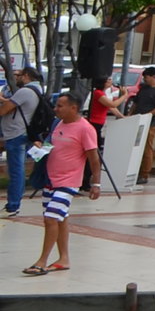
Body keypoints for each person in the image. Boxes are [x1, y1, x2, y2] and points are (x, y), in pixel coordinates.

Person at [24, 92, 99, 274]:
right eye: (56, 105)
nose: (55, 109)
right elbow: (53, 145)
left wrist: (95, 183)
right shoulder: (58, 124)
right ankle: (63, 258)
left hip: (68, 182)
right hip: (51, 179)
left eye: (60, 106)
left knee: (51, 218)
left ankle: (42, 261)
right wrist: (41, 148)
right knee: (60, 218)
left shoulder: (85, 129)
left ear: (73, 108)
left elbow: (93, 158)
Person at [1, 65, 46, 217]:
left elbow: (4, 109)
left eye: (19, 75)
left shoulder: (25, 91)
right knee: (18, 169)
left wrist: (4, 103)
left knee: (16, 171)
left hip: (16, 134)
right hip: (23, 133)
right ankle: (14, 203)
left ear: (26, 76)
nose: (17, 78)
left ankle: (13, 205)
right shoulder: (37, 90)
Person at [126, 66, 155, 181]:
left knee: (146, 148)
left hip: (150, 124)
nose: (145, 79)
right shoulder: (143, 88)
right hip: (137, 120)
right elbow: (135, 103)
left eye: (146, 77)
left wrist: (148, 115)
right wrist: (130, 114)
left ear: (153, 77)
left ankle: (144, 173)